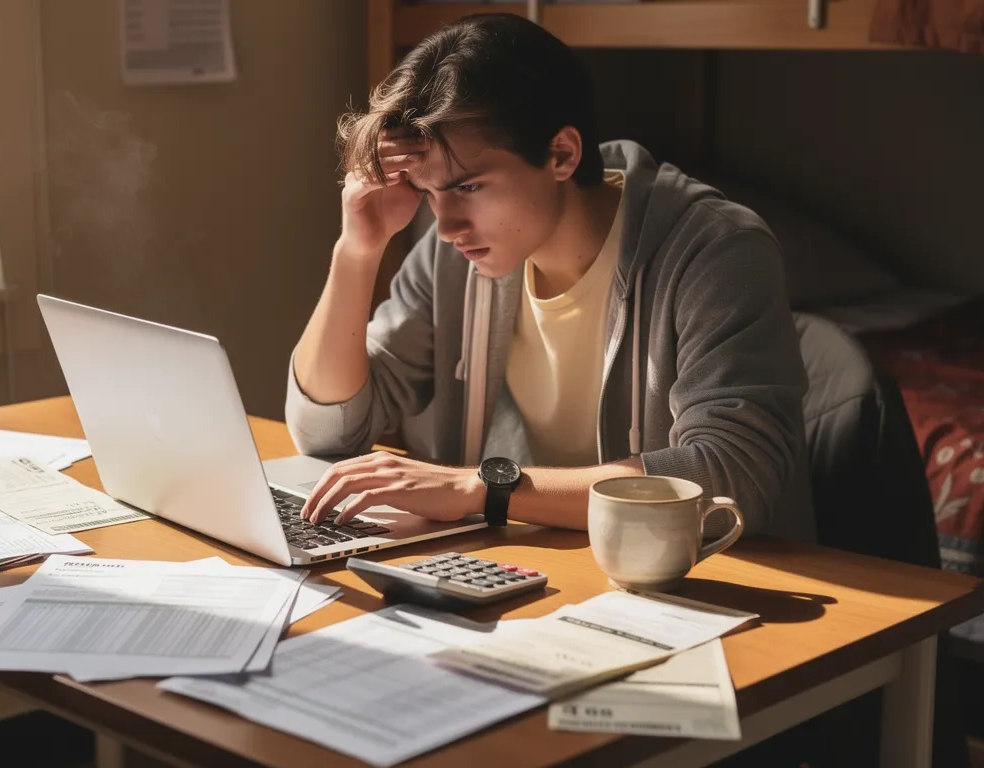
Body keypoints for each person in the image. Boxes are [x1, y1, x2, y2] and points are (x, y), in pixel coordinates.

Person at [286, 13, 814, 542]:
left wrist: (485, 488)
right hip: (557, 566)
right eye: (429, 192)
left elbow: (733, 478)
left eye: (468, 188)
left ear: (561, 153)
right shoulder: (458, 254)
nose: (445, 226)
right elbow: (327, 432)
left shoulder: (716, 251)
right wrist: (358, 251)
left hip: (721, 585)